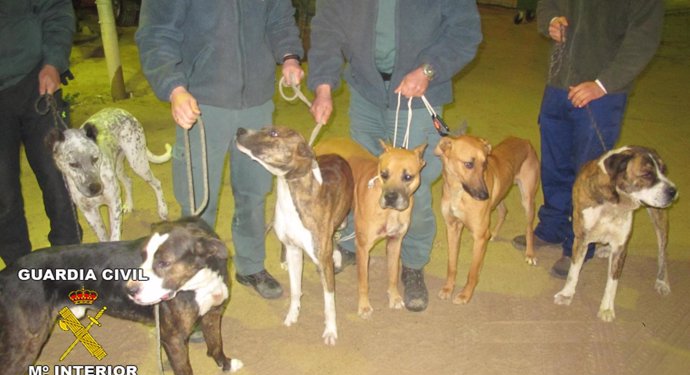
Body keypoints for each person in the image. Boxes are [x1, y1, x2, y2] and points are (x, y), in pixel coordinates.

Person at [308, 0, 482, 311]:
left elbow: (466, 31)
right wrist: (323, 86)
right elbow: (326, 28)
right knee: (363, 181)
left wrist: (429, 69)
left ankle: (412, 263)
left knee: (409, 186)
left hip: (418, 94)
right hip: (366, 92)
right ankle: (352, 240)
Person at [136, 0, 305, 299]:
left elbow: (279, 16)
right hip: (201, 104)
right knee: (199, 202)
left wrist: (289, 56)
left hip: (256, 102)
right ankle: (197, 281)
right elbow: (156, 34)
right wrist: (174, 88)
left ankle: (250, 265)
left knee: (253, 193)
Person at [512, 0, 664, 278]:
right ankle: (553, 225)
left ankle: (578, 246)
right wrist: (550, 20)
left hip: (602, 94)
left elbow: (643, 39)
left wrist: (602, 84)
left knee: (590, 174)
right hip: (559, 84)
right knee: (554, 163)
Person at [0, 0, 82, 265]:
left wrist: (53, 62)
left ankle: (68, 262)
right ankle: (19, 271)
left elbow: (57, 10)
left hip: (35, 81)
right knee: (3, 194)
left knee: (57, 177)